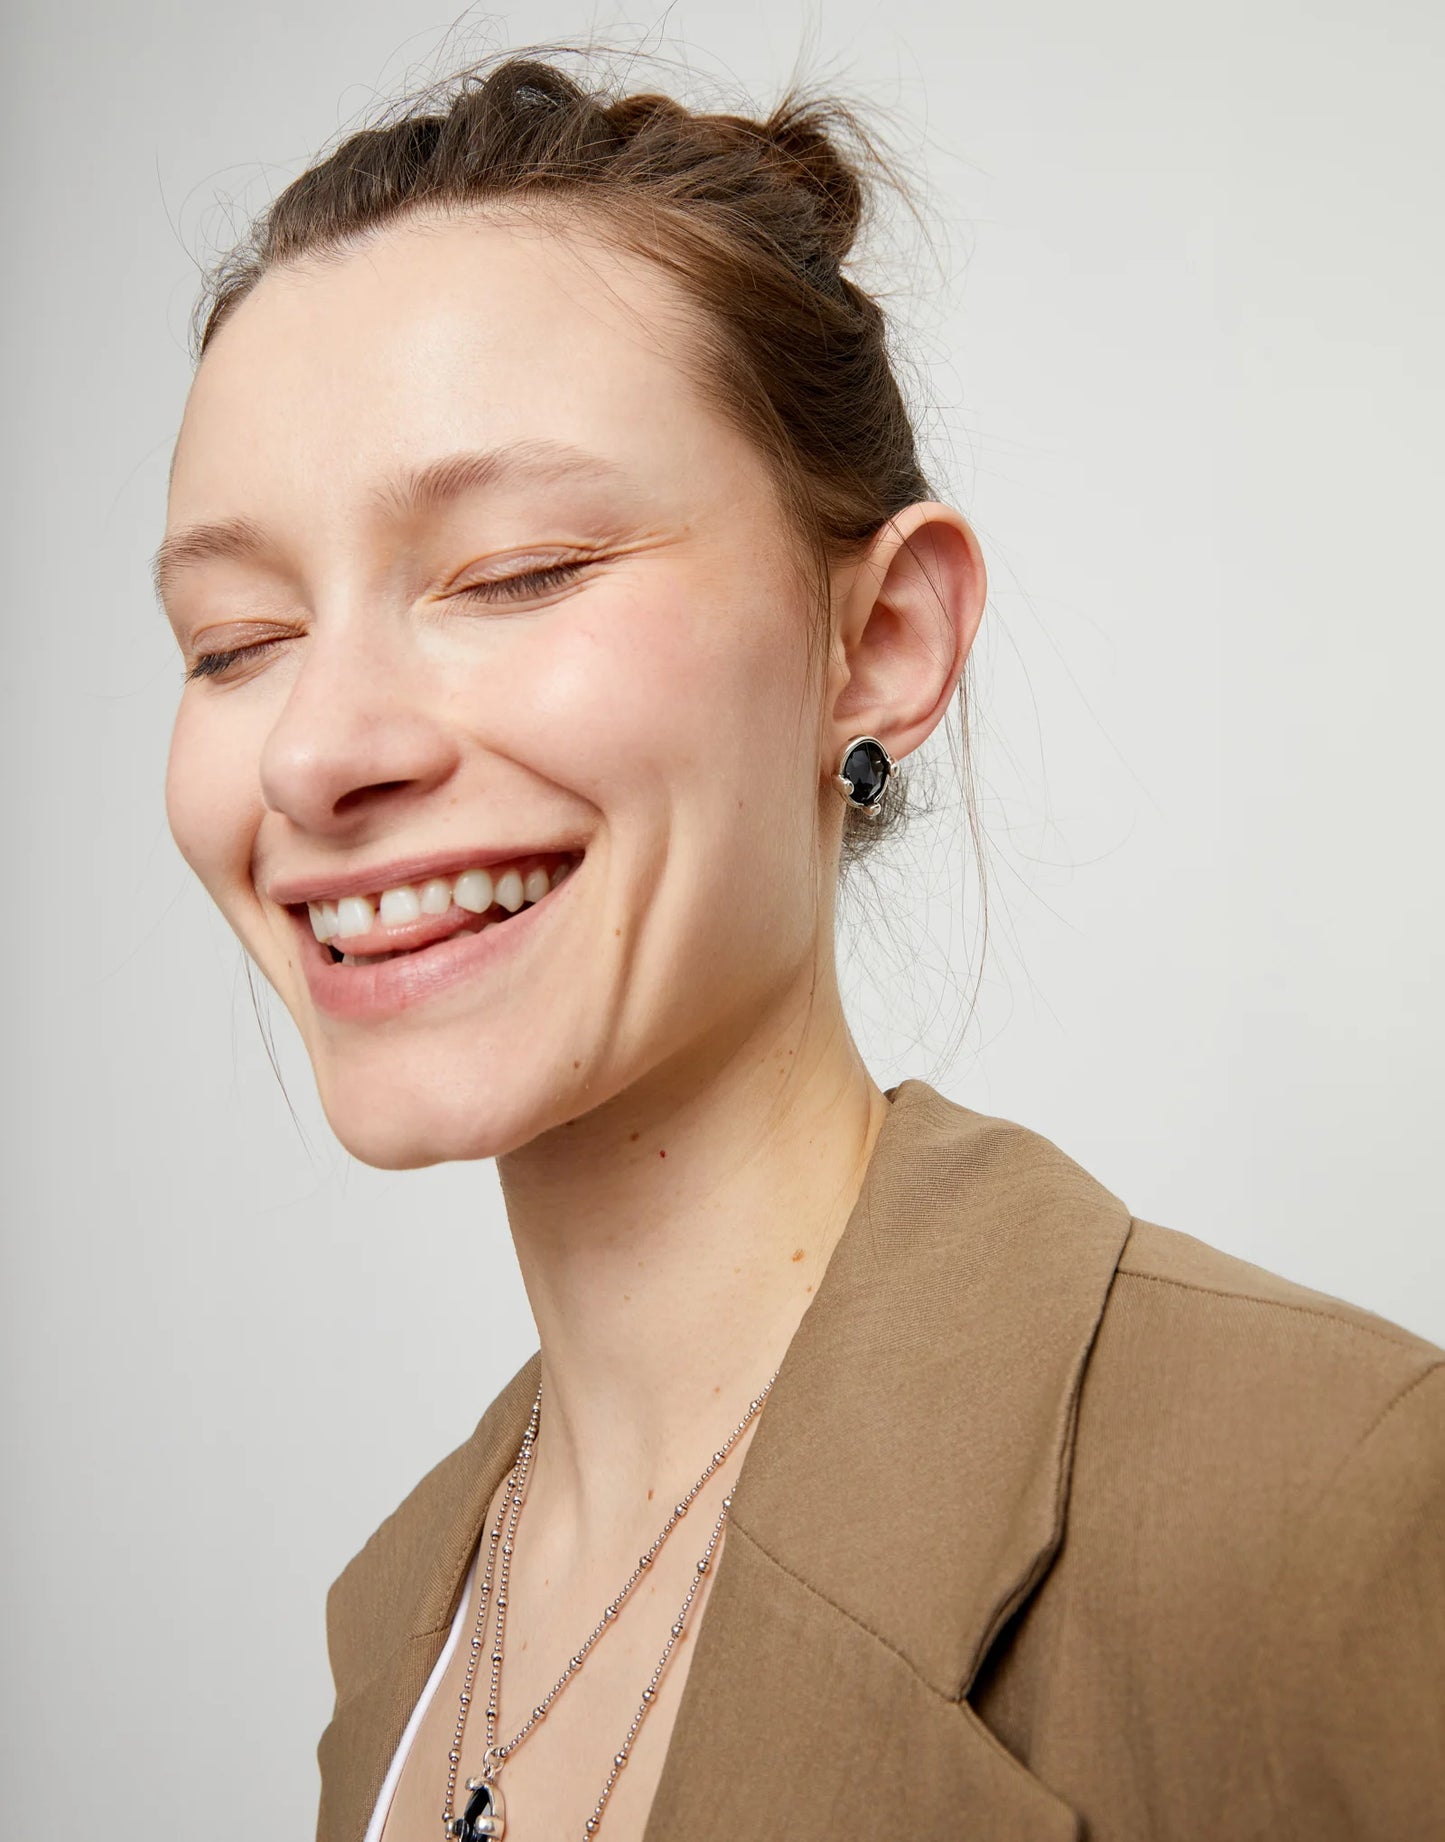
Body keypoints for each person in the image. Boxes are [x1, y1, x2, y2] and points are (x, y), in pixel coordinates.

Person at [153, 48, 1445, 1842]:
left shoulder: (1332, 1506)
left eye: (517, 570)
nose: (312, 749)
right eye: (231, 640)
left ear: (882, 639)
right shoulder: (398, 1633)